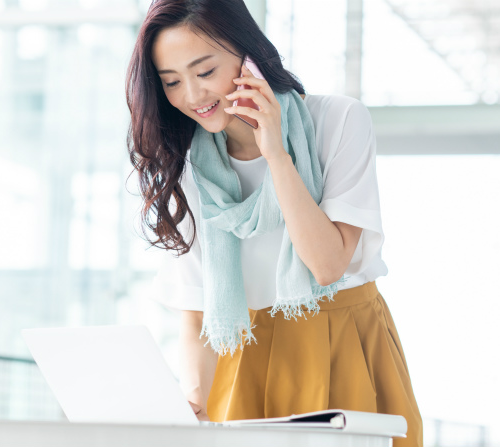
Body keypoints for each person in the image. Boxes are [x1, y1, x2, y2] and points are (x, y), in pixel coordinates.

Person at [124, 1, 422, 446]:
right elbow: (197, 313)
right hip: (243, 359)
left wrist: (276, 153)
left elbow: (327, 265)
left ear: (249, 57)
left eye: (205, 72)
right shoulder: (189, 169)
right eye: (171, 82)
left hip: (343, 343)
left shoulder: (337, 121)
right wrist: (194, 401)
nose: (192, 95)